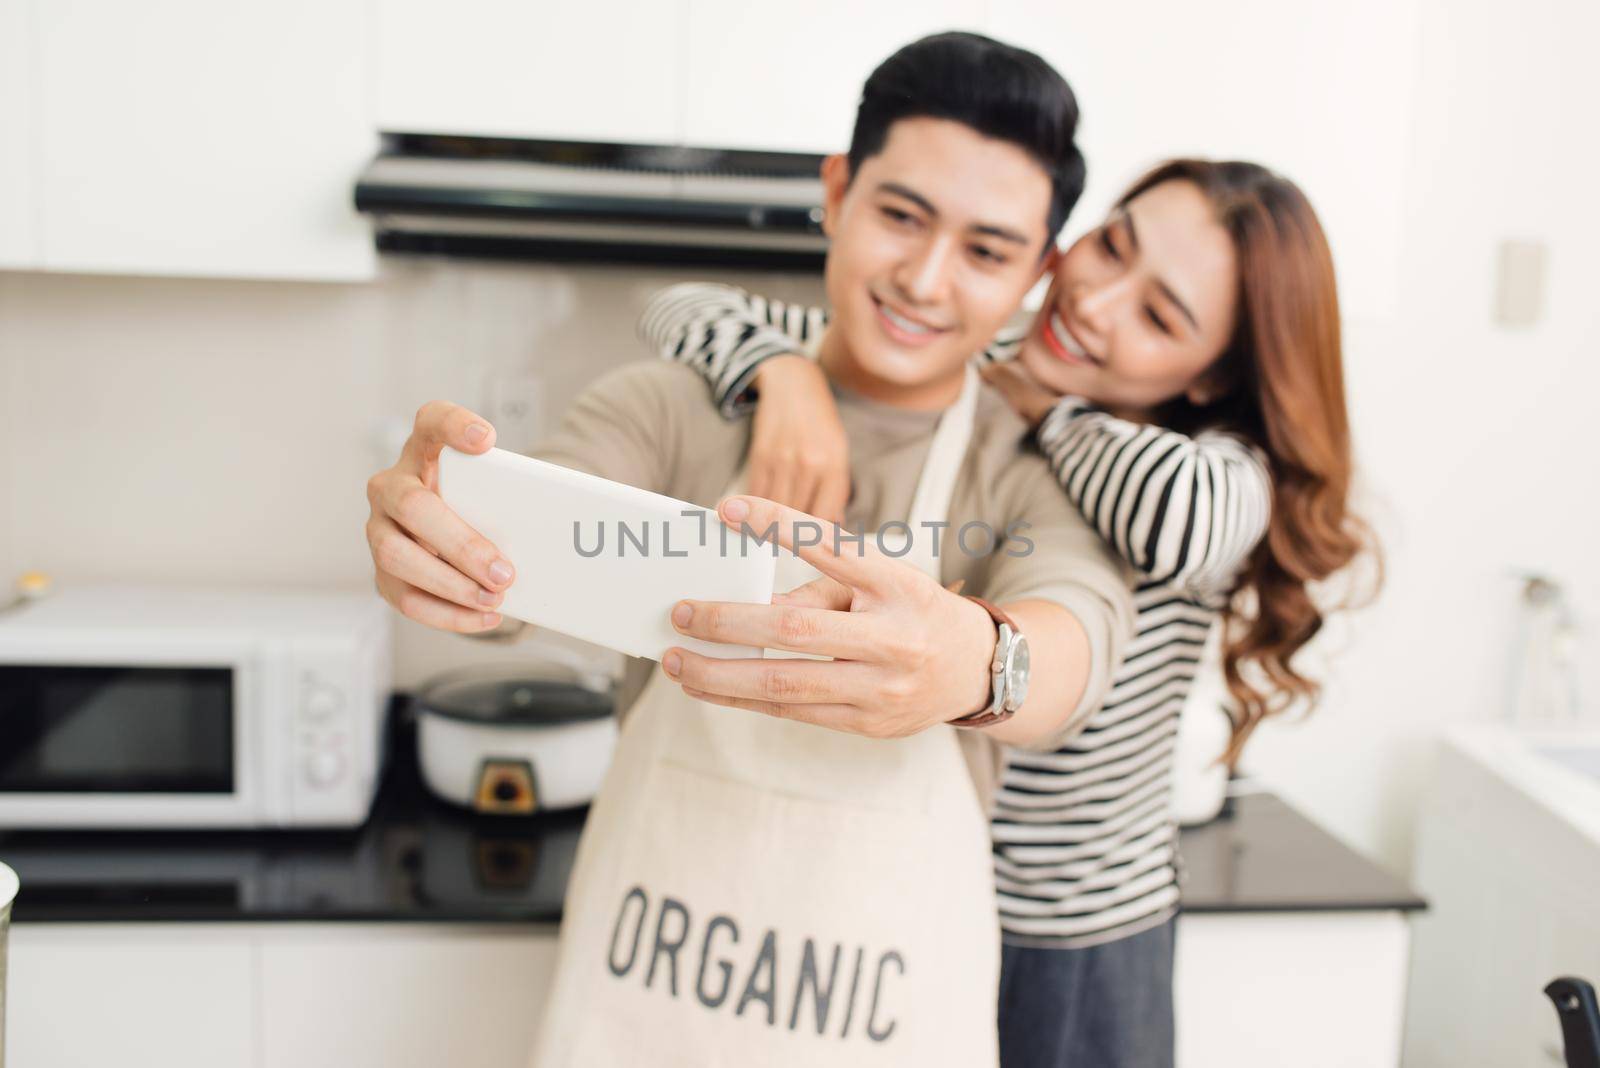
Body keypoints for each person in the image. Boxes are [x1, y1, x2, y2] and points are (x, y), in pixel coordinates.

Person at [364, 32, 1134, 1066]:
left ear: (1036, 272)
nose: (925, 278)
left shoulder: (1030, 469)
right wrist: (447, 536)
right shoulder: (673, 408)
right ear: (838, 191)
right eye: (900, 216)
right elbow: (518, 556)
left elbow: (1075, 650)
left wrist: (977, 657)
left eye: (987, 251)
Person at [639, 158, 1373, 1066]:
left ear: (1212, 376)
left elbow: (1181, 511)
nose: (1096, 303)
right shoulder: (983, 358)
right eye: (1111, 246)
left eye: (1157, 316)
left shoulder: (1218, 470)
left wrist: (1034, 403)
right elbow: (679, 308)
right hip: (906, 898)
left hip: (1069, 941)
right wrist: (784, 374)